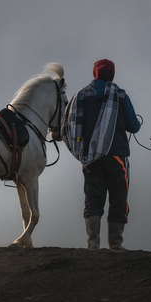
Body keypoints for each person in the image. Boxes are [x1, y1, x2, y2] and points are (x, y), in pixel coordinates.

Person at [61, 59, 141, 251]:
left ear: (94, 73)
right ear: (111, 74)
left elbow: (68, 124)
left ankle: (93, 246)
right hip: (116, 156)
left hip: (90, 159)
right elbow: (133, 125)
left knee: (93, 200)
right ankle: (116, 245)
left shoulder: (79, 96)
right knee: (118, 199)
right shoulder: (120, 95)